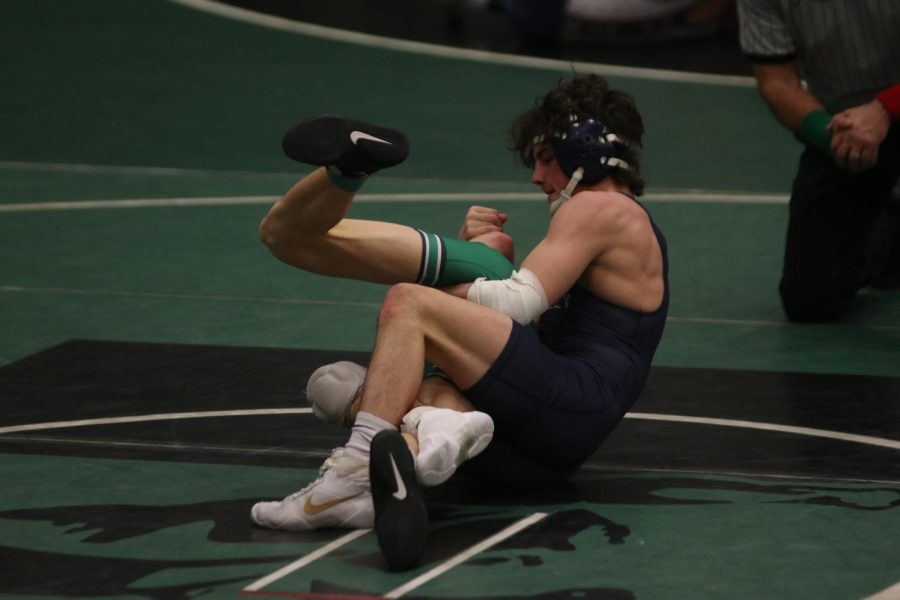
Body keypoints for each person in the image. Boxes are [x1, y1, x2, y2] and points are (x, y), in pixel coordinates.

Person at [251, 74, 669, 571]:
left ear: (584, 149)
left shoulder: (602, 207)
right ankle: (430, 431)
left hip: (569, 403)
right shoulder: (612, 218)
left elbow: (517, 302)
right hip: (535, 451)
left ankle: (353, 474)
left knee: (410, 304)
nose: (537, 178)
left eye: (543, 158)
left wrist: (445, 288)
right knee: (335, 387)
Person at [736, 0, 900, 322]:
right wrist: (837, 139)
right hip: (845, 123)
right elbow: (778, 82)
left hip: (888, 107)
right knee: (810, 301)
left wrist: (883, 110)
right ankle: (890, 239)